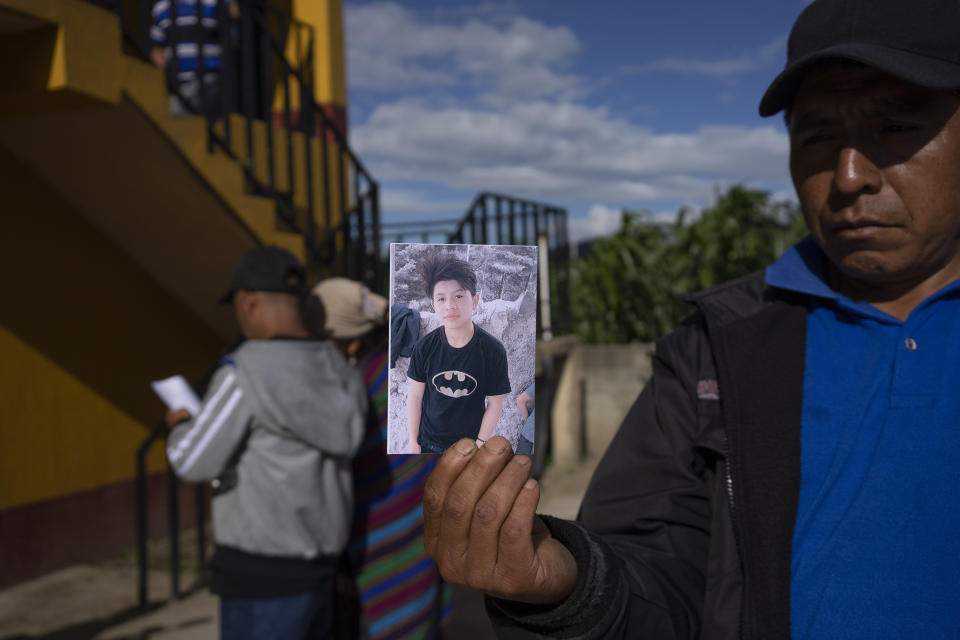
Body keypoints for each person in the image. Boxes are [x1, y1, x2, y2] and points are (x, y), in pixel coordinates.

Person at [421, 0, 960, 637]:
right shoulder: (712, 350)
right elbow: (655, 565)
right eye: (815, 137)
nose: (847, 177)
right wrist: (569, 587)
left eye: (894, 126)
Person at [165, 246, 367, 639]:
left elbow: (192, 462)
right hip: (323, 571)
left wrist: (180, 426)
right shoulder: (339, 367)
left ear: (249, 301)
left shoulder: (245, 372)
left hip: (259, 577)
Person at [306, 278, 452, 639]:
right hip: (426, 530)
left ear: (350, 341)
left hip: (376, 538)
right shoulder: (412, 368)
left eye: (321, 341)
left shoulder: (358, 390)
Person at [406, 255, 511, 454]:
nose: (450, 305)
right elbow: (415, 396)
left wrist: (480, 442)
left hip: (469, 446)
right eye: (441, 298)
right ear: (433, 305)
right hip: (429, 443)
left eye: (459, 296)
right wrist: (413, 441)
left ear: (475, 300)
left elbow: (495, 402)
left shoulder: (493, 350)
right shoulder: (424, 347)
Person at [150, 0, 238, 117]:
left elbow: (236, 11)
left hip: (209, 79)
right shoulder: (161, 7)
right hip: (177, 84)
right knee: (178, 124)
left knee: (208, 112)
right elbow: (157, 48)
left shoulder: (212, 2)